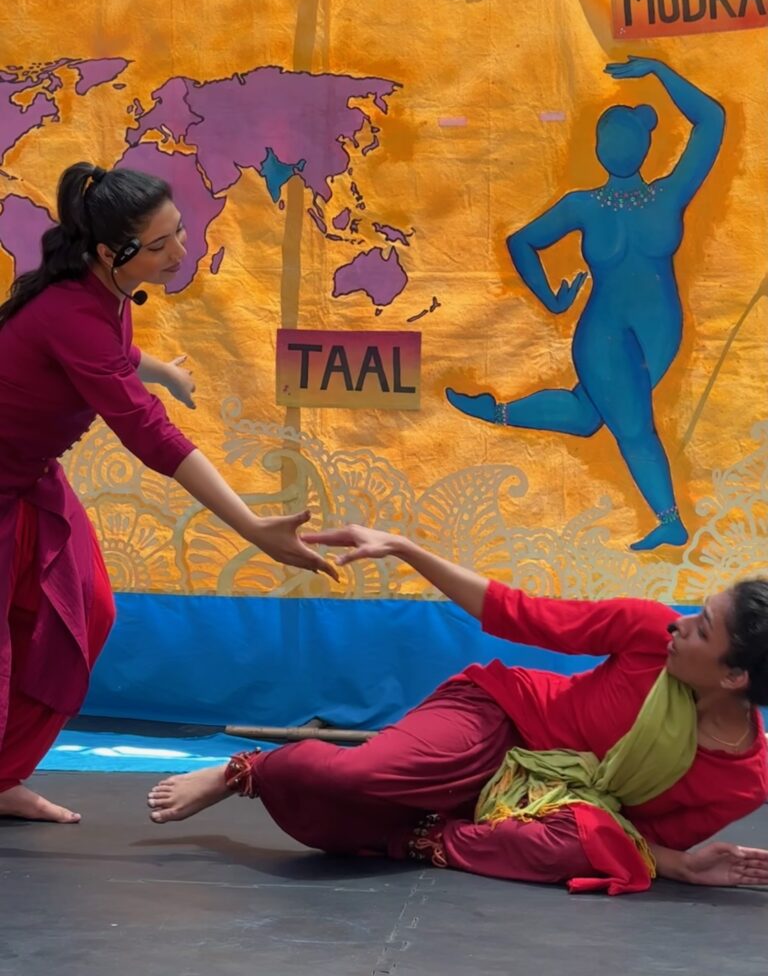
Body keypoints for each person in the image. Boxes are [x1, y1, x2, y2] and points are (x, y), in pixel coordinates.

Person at [147, 524, 768, 895]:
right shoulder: (647, 630)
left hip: (549, 806)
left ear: (735, 676)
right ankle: (248, 770)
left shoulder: (743, 779)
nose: (680, 624)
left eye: (702, 628)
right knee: (354, 779)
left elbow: (632, 838)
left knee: (589, 849)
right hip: (494, 721)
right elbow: (515, 612)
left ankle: (416, 837)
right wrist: (406, 548)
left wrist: (682, 866)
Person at [0, 162, 336, 824]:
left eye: (178, 231)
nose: (180, 251)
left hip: (29, 478)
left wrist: (158, 369)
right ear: (109, 252)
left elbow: (106, 349)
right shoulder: (71, 311)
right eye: (160, 246)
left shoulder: (99, 291)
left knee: (84, 614)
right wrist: (251, 527)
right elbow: (151, 438)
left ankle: (3, 772)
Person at [446, 57, 725, 552]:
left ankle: (499, 413)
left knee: (586, 414)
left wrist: (660, 71)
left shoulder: (669, 194)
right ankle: (670, 521)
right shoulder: (583, 205)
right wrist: (552, 300)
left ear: (643, 146)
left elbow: (712, 120)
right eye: (607, 141)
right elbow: (522, 242)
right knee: (633, 423)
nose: (615, 148)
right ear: (598, 151)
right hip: (603, 333)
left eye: (624, 139)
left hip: (659, 334)